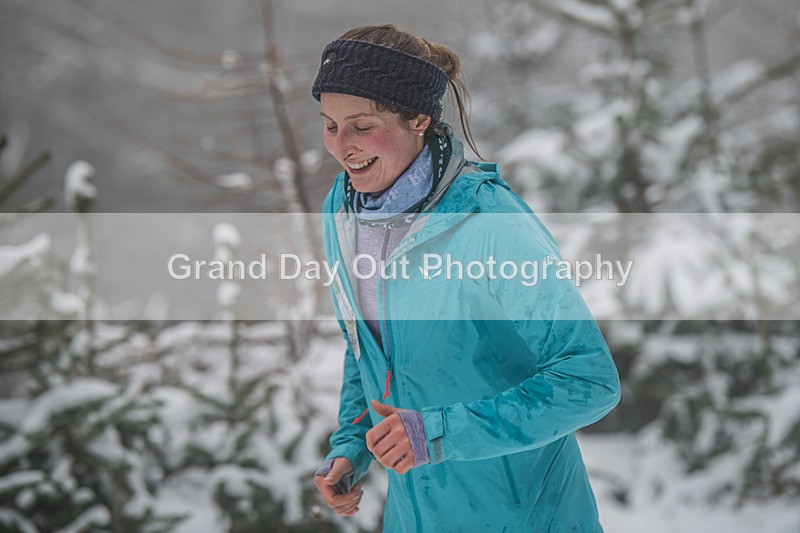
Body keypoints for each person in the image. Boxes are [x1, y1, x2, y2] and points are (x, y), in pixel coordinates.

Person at [311, 24, 621, 532]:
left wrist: (436, 433)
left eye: (361, 126)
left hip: (520, 512)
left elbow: (589, 381)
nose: (341, 147)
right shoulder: (342, 213)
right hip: (416, 512)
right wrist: (352, 442)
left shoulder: (488, 223)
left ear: (419, 119)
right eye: (329, 125)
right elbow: (368, 343)